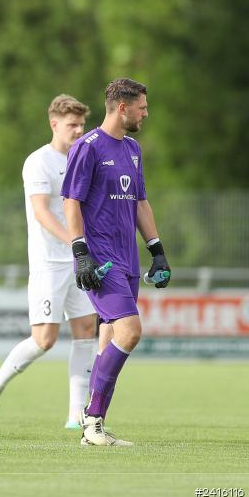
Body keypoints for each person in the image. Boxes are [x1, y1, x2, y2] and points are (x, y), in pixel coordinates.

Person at [0, 95, 97, 429]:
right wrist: (76, 243)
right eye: (72, 125)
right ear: (54, 124)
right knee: (45, 340)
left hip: (80, 260)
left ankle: (76, 415)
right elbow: (41, 212)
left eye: (82, 125)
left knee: (87, 330)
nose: (78, 131)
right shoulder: (38, 162)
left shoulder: (84, 158)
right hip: (50, 262)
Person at [61, 78, 171, 446]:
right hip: (101, 260)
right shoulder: (87, 147)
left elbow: (140, 202)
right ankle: (91, 418)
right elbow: (71, 201)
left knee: (109, 337)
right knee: (130, 332)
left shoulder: (134, 149)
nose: (145, 113)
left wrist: (156, 250)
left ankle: (93, 429)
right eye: (141, 107)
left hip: (128, 260)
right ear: (122, 107)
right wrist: (80, 253)